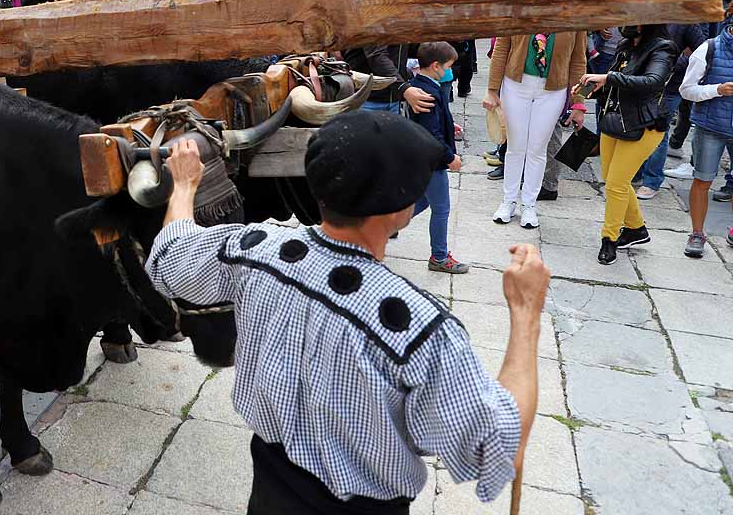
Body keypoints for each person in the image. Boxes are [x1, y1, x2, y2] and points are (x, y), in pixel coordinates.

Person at [148, 109, 546, 513]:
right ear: (398, 210)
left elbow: (170, 258)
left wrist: (183, 187)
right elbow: (501, 444)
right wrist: (526, 313)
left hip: (269, 494)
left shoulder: (254, 250)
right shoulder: (421, 329)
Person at [579, 24, 677, 264]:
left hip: (644, 124)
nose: (626, 24)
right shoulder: (626, 45)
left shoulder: (663, 49)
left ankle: (609, 239)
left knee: (616, 184)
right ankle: (636, 229)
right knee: (613, 180)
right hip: (615, 118)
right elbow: (618, 80)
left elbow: (652, 81)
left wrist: (609, 77)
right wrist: (597, 86)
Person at [484, 32, 587, 229]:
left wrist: (578, 103)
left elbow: (578, 61)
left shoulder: (574, 18)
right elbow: (501, 48)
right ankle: (509, 200)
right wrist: (491, 89)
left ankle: (529, 204)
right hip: (515, 85)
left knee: (538, 149)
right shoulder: (521, 8)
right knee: (515, 146)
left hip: (553, 90)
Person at [410, 42, 469, 273]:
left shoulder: (421, 85)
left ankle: (380, 228)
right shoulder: (429, 93)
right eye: (448, 67)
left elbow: (432, 122)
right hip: (433, 162)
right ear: (435, 66)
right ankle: (439, 257)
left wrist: (448, 123)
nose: (449, 72)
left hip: (424, 160)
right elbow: (430, 133)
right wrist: (449, 157)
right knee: (441, 208)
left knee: (422, 202)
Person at [678, 20, 733, 259]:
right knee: (702, 180)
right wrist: (716, 89)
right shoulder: (709, 48)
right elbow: (686, 90)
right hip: (710, 126)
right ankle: (697, 233)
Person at [634, 22, 706, 199]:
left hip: (669, 86)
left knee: (658, 131)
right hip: (642, 81)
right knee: (639, 126)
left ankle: (652, 180)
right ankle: (637, 171)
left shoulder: (686, 22)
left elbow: (703, 51)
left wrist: (676, 63)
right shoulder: (649, 14)